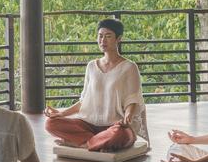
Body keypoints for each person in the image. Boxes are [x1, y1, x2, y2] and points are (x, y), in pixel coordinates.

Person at [44, 18, 146, 152]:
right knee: (51, 124)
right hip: (88, 125)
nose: (103, 40)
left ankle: (83, 143)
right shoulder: (91, 66)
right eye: (100, 36)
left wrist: (128, 116)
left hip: (115, 126)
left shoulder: (129, 67)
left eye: (108, 36)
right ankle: (96, 142)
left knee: (120, 134)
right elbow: (83, 101)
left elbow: (132, 100)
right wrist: (62, 114)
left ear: (118, 39)